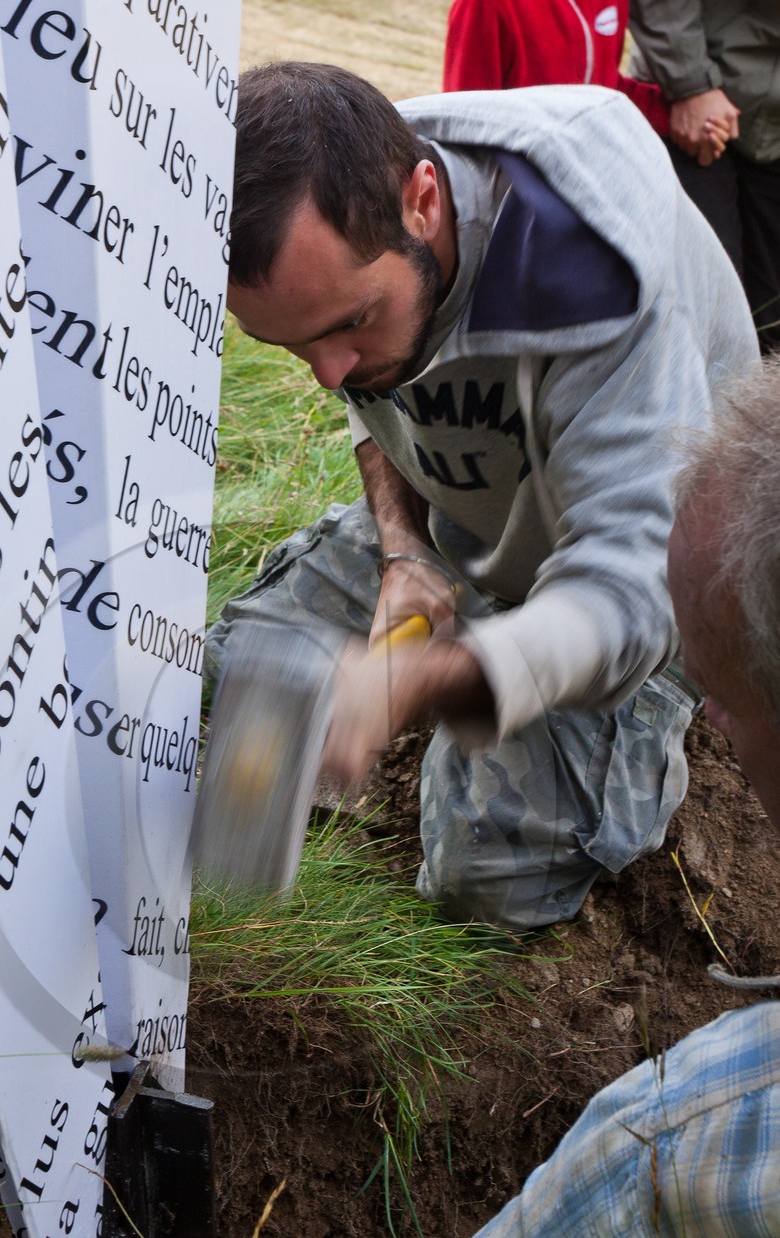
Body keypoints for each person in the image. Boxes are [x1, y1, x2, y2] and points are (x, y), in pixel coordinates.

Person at [137, 357, 780, 1238]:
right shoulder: (406, 308)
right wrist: (402, 554)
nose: (725, 736)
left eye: (727, 700)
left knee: (496, 862)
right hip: (469, 557)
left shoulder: (710, 1151)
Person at [206, 62, 757, 932]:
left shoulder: (587, 261)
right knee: (224, 674)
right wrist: (403, 551)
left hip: (650, 576)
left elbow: (629, 592)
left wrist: (426, 681)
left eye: (348, 323)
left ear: (422, 200)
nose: (325, 375)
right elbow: (376, 403)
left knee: (485, 877)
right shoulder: (352, 226)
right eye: (292, 347)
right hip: (474, 512)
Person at [628, 1, 780, 353]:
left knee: (771, 325)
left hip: (768, 121)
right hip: (692, 102)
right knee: (704, 320)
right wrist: (689, 83)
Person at [443, 0, 671, 139]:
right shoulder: (484, 5)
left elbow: (605, 86)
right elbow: (462, 120)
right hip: (517, 193)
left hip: (588, 179)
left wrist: (677, 114)